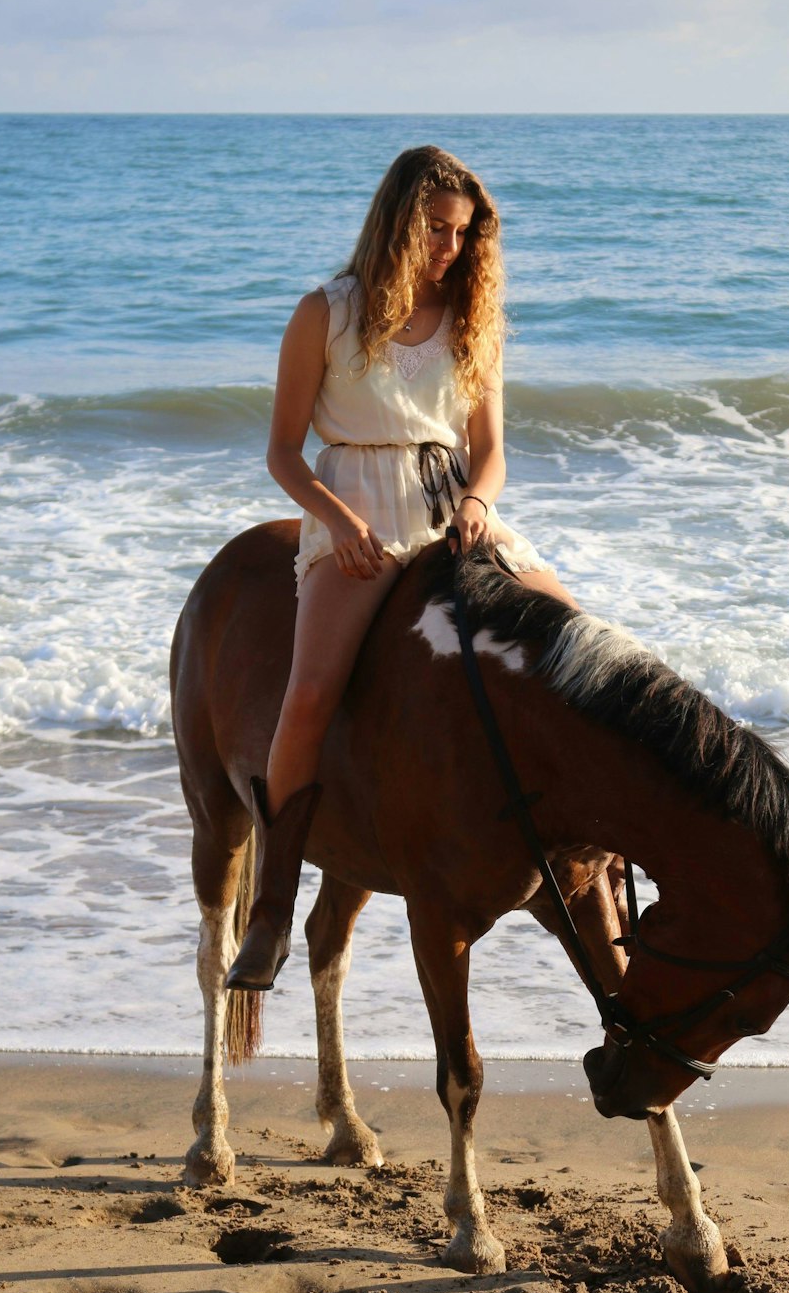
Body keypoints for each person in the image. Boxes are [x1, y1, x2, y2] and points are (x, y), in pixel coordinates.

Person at [225, 146, 577, 992]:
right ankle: (273, 907)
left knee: (575, 646)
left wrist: (479, 507)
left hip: (450, 509)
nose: (449, 247)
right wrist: (339, 521)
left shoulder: (473, 317)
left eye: (462, 233)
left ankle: (585, 865)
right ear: (396, 220)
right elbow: (282, 453)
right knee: (310, 692)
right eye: (434, 228)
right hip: (357, 514)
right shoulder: (328, 313)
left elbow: (490, 455)